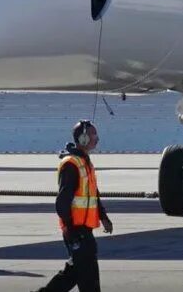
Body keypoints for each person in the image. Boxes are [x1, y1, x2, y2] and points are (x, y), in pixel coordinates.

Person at [36, 120, 113, 292]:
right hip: (76, 231)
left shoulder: (85, 162)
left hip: (84, 230)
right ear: (83, 138)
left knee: (72, 274)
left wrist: (104, 217)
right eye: (93, 135)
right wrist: (71, 230)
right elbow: (62, 202)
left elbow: (93, 194)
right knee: (89, 278)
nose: (97, 139)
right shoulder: (72, 164)